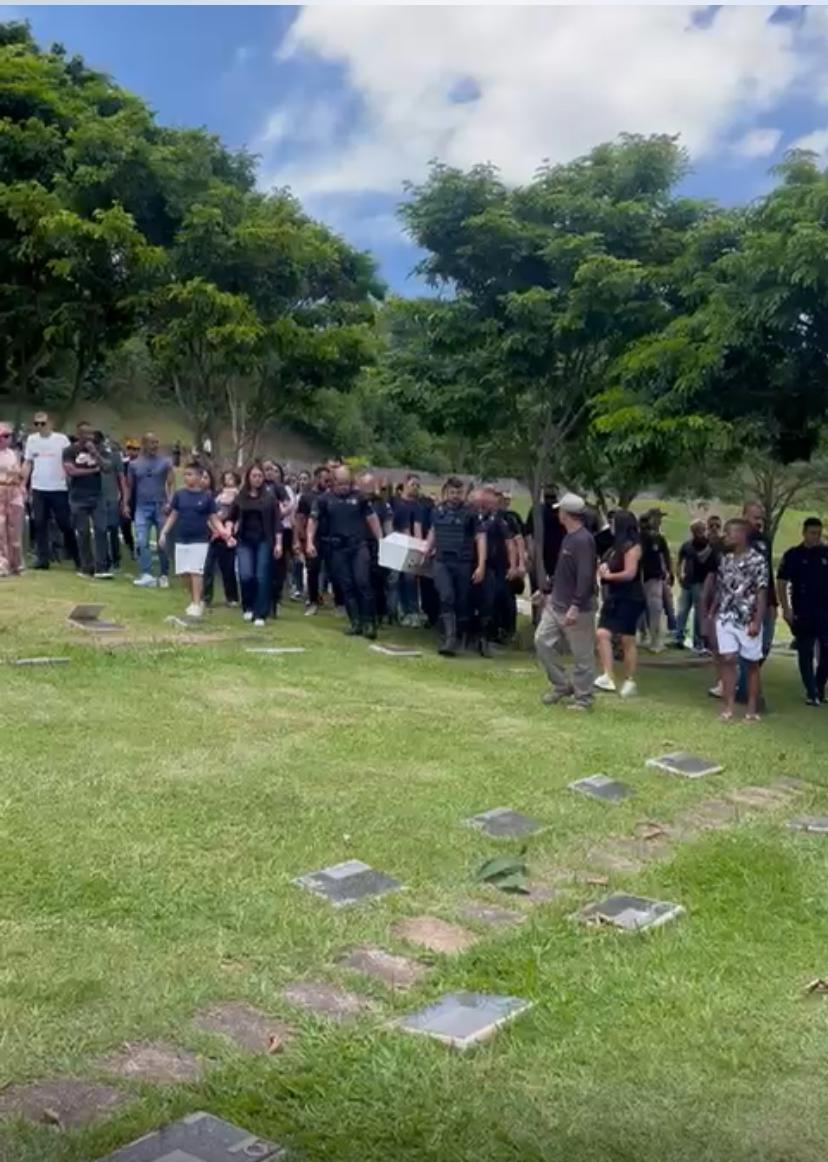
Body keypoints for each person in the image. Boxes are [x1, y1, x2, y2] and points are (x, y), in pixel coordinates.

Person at [535, 492, 597, 710]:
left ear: (566, 514)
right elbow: (563, 571)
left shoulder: (583, 540)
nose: (557, 513)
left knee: (582, 655)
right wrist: (546, 590)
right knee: (542, 641)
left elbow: (586, 576)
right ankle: (562, 685)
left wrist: (576, 605)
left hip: (577, 609)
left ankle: (584, 698)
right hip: (556, 604)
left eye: (560, 510)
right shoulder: (568, 537)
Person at [306, 466, 381, 638]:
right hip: (337, 548)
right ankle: (355, 622)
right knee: (347, 586)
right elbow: (313, 520)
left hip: (358, 545)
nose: (344, 487)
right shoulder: (324, 499)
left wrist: (381, 539)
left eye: (346, 483)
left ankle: (369, 622)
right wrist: (310, 541)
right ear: (332, 482)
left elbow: (372, 518)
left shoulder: (359, 498)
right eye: (340, 484)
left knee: (363, 582)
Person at [710, 517, 768, 722]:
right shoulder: (725, 560)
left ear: (741, 535)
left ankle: (751, 709)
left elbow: (762, 592)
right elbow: (721, 588)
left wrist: (757, 621)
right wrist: (712, 612)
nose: (725, 537)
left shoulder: (757, 560)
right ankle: (728, 707)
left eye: (729, 533)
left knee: (751, 663)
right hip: (726, 616)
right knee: (727, 659)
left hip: (747, 617)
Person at [421, 476, 486, 656]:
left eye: (458, 492)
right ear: (446, 492)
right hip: (442, 560)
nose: (455, 496)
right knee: (446, 596)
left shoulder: (470, 513)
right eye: (452, 492)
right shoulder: (437, 511)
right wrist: (427, 548)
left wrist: (480, 565)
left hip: (463, 562)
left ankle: (463, 637)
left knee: (462, 600)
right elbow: (434, 530)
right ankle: (450, 638)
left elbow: (480, 538)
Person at [159, 462, 225, 618]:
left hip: (200, 540)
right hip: (182, 539)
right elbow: (173, 515)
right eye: (185, 474)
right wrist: (164, 532)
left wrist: (223, 532)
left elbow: (214, 519)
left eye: (190, 474)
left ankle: (196, 604)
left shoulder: (207, 498)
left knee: (196, 571)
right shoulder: (180, 495)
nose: (187, 477)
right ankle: (195, 599)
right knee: (184, 573)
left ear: (199, 476)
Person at [776, 517, 828, 705]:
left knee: (826, 649)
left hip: (825, 610)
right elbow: (782, 582)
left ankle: (819, 685)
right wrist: (786, 608)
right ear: (804, 533)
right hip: (803, 609)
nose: (816, 537)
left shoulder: (826, 553)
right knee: (805, 651)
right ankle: (811, 691)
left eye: (819, 534)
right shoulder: (793, 555)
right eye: (813, 533)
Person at [595, 509, 645, 697]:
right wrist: (603, 567)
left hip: (630, 596)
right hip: (614, 596)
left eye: (614, 523)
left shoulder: (633, 546)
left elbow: (630, 573)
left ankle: (630, 680)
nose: (611, 527)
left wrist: (610, 576)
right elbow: (608, 562)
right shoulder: (615, 547)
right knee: (602, 634)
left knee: (627, 639)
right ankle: (608, 675)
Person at [22, 410, 79, 570]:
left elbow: (70, 459)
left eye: (43, 423)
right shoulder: (32, 440)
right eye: (36, 424)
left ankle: (77, 557)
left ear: (50, 423)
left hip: (58, 488)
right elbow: (28, 463)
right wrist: (22, 483)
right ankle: (42, 559)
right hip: (39, 488)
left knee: (65, 524)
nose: (40, 426)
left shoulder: (61, 440)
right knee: (39, 523)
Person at [230, 463, 283, 627]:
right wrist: (229, 529)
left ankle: (261, 613)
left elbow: (277, 522)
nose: (257, 479)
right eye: (254, 476)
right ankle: (248, 606)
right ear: (248, 477)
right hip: (244, 540)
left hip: (264, 541)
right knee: (246, 575)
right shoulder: (240, 497)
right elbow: (231, 517)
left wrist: (278, 544)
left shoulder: (269, 498)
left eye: (260, 476)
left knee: (262, 576)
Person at [737, 501, 777, 705]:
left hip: (766, 600)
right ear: (744, 516)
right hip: (747, 602)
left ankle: (744, 683)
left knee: (766, 644)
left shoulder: (765, 541)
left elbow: (768, 573)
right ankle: (746, 691)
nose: (758, 522)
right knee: (749, 644)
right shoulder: (738, 539)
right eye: (755, 517)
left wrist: (773, 602)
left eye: (761, 518)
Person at [62, 420, 111, 579]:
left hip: (97, 496)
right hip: (78, 497)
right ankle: (86, 567)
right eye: (85, 433)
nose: (89, 437)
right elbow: (71, 471)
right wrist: (92, 470)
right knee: (82, 533)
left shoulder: (99, 448)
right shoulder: (70, 450)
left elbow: (108, 467)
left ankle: (101, 567)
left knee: (101, 530)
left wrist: (95, 454)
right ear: (78, 435)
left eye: (91, 433)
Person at [129, 433, 174, 589]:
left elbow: (170, 484)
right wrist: (126, 504)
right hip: (142, 506)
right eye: (151, 443)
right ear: (144, 444)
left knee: (162, 541)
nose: (154, 446)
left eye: (156, 442)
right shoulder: (134, 464)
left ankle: (163, 574)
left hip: (160, 505)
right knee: (142, 541)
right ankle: (146, 573)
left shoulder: (165, 462)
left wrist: (170, 502)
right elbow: (130, 487)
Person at [674, 519, 717, 650]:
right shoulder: (687, 545)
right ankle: (679, 636)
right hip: (688, 581)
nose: (699, 533)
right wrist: (678, 574)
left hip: (701, 582)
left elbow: (703, 559)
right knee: (682, 611)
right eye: (696, 530)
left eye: (701, 529)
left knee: (699, 613)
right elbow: (680, 560)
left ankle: (697, 641)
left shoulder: (708, 545)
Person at [296, 466, 331, 616]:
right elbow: (300, 518)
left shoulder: (333, 496)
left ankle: (340, 602)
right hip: (314, 538)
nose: (328, 482)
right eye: (325, 479)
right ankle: (313, 600)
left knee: (335, 571)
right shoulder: (307, 497)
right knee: (313, 570)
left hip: (331, 537)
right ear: (317, 479)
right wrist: (301, 537)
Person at [389, 474, 423, 626]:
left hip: (410, 546)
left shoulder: (418, 507)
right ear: (405, 484)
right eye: (413, 484)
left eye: (417, 485)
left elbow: (417, 528)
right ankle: (394, 612)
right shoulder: (394, 502)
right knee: (394, 580)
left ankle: (412, 612)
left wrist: (419, 548)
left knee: (410, 580)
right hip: (394, 546)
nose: (415, 487)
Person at [203, 470, 240, 608]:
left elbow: (237, 516)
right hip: (215, 535)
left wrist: (231, 533)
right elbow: (210, 516)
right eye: (226, 478)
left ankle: (232, 597)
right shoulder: (217, 496)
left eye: (231, 478)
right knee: (208, 567)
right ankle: (206, 597)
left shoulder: (238, 497)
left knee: (228, 568)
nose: (228, 481)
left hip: (229, 536)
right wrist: (214, 529)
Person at [639, 509, 673, 653]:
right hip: (644, 577)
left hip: (655, 578)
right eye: (657, 518)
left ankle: (654, 639)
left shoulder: (658, 538)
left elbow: (666, 556)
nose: (659, 521)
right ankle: (647, 637)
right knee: (646, 610)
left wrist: (669, 572)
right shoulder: (643, 537)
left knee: (656, 608)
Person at [95, 431, 127, 571]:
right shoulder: (88, 457)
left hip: (111, 497)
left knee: (113, 528)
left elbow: (121, 478)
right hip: (95, 497)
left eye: (97, 442)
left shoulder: (114, 456)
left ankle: (116, 559)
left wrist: (124, 499)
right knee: (100, 530)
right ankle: (103, 559)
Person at [525, 486, 565, 592]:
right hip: (544, 555)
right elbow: (528, 534)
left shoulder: (559, 511)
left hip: (554, 555)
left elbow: (528, 535)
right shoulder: (538, 510)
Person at [0, 422, 25, 576]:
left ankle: (16, 563)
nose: (4, 439)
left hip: (14, 492)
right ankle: (2, 563)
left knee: (15, 529)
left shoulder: (13, 454)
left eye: (7, 436)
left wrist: (22, 487)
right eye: (2, 436)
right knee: (0, 528)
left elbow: (19, 473)